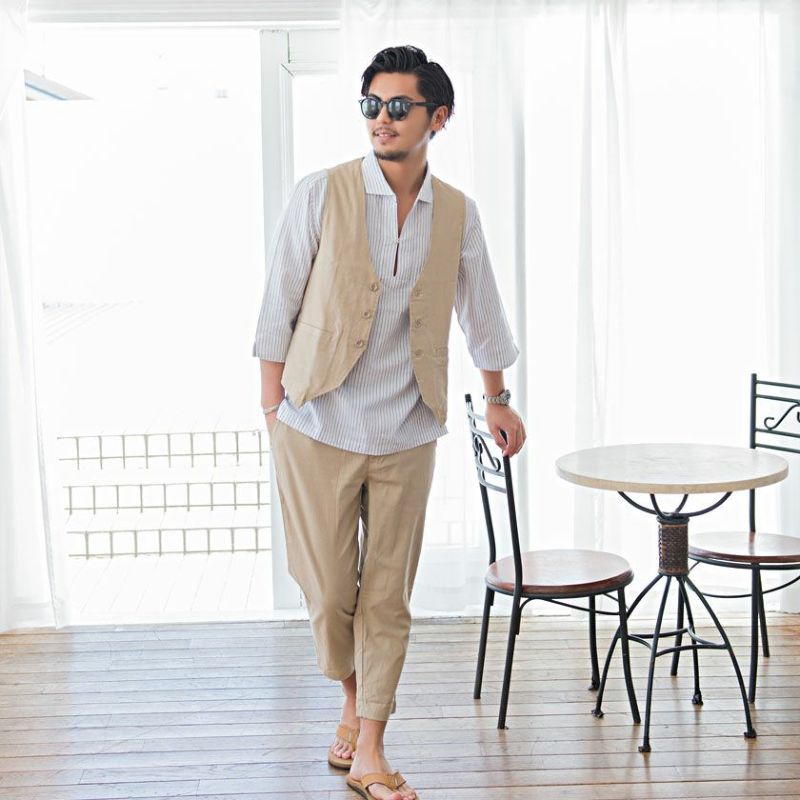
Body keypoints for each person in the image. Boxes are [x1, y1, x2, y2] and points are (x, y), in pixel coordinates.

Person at [252, 44, 526, 800]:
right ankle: (351, 697)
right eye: (372, 105)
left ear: (438, 118)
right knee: (326, 591)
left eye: (399, 107)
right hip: (315, 424)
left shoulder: (457, 213)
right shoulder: (321, 193)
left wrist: (498, 397)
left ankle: (370, 744)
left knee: (386, 596)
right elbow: (277, 309)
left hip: (408, 429)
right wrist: (273, 413)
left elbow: (482, 310)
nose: (382, 119)